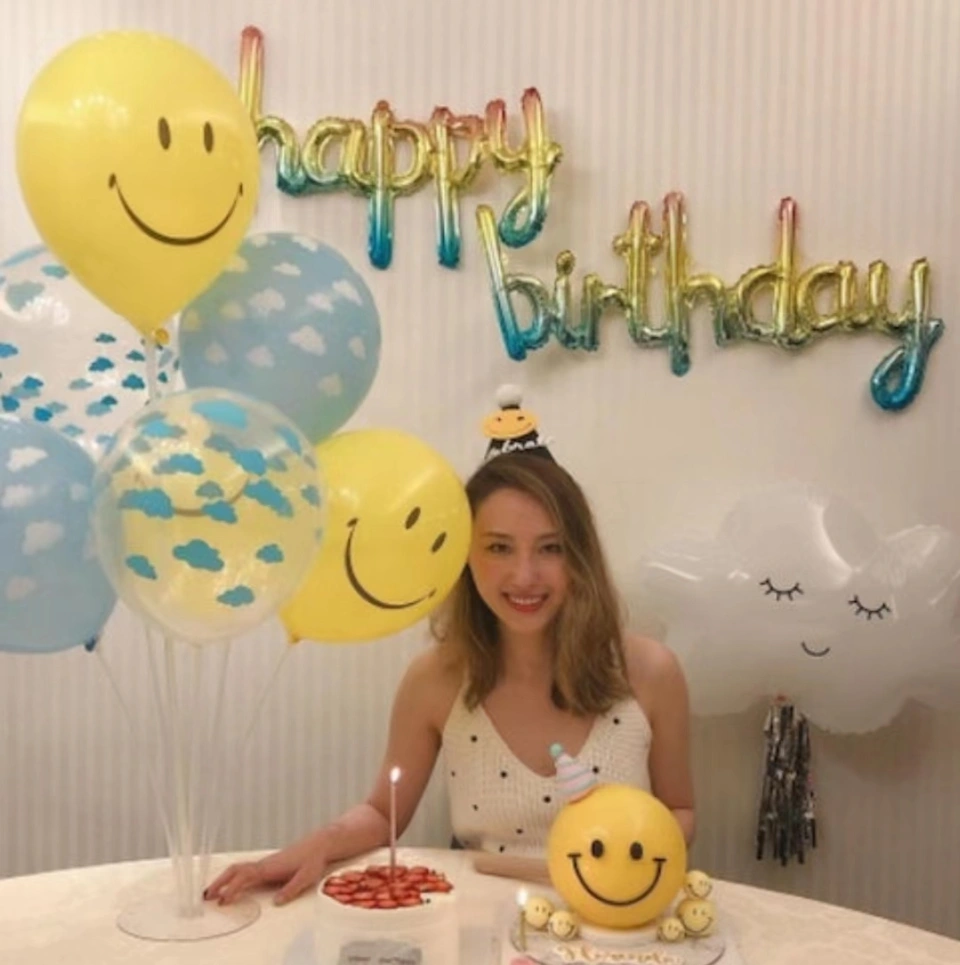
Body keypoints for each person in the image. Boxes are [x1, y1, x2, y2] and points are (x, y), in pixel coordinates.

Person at [205, 393, 694, 907]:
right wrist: (320, 844)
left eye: (550, 548)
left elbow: (681, 812)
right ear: (463, 553)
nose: (525, 575)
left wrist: (623, 863)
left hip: (613, 924)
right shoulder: (433, 680)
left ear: (579, 556)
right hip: (483, 923)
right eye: (499, 547)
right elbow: (382, 813)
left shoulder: (651, 673)